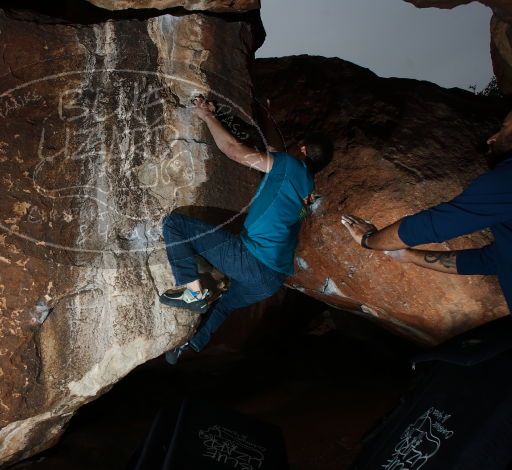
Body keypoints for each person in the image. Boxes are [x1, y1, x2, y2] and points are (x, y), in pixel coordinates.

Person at [159, 95, 333, 364]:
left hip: (251, 259)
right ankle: (191, 345)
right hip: (271, 280)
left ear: (303, 150)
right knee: (226, 304)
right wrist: (223, 117)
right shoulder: (308, 189)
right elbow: (266, 155)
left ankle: (192, 292)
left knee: (175, 224)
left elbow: (235, 151)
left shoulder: (289, 166)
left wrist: (206, 116)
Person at [341, 111, 512, 312]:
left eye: (504, 127)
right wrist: (410, 256)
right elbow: (491, 260)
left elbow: (429, 226)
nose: (491, 138)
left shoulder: (506, 180)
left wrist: (369, 240)